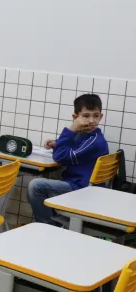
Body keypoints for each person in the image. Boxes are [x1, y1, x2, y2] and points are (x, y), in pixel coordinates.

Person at [28, 94, 109, 225]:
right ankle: (52, 224)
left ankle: (48, 227)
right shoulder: (85, 134)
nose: (92, 120)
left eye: (95, 115)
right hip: (78, 183)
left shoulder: (94, 141)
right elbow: (71, 149)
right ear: (75, 117)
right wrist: (57, 143)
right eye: (86, 116)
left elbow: (61, 157)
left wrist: (71, 128)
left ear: (101, 116)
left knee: (36, 186)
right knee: (40, 186)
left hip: (82, 188)